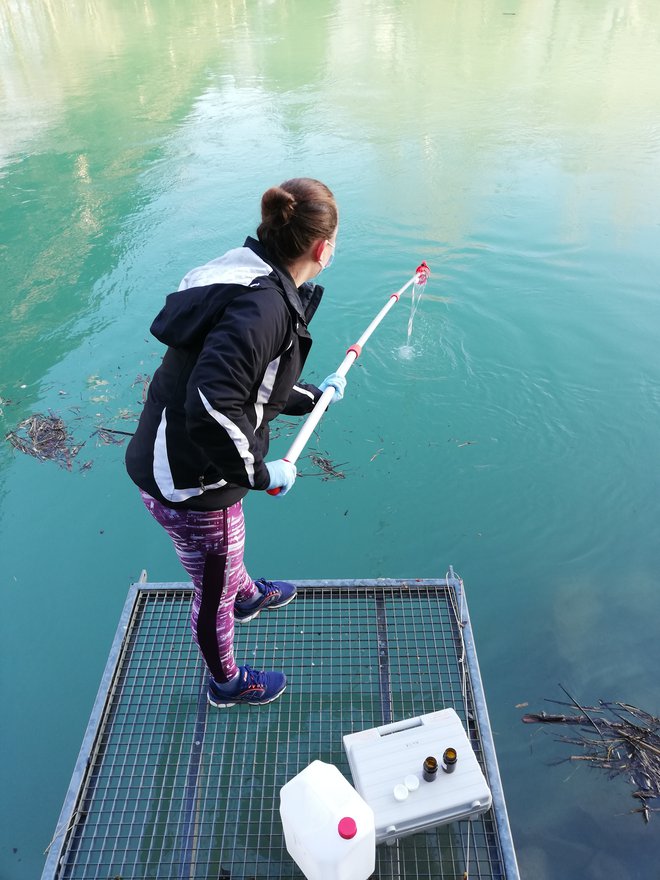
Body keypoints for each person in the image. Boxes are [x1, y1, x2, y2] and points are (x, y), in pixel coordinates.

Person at [125, 178, 344, 708]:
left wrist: (309, 396)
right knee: (212, 589)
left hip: (169, 455)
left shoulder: (246, 270)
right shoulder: (265, 308)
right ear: (322, 248)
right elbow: (212, 405)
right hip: (193, 480)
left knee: (221, 561)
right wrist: (263, 473)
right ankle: (225, 680)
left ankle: (246, 595)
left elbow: (244, 374)